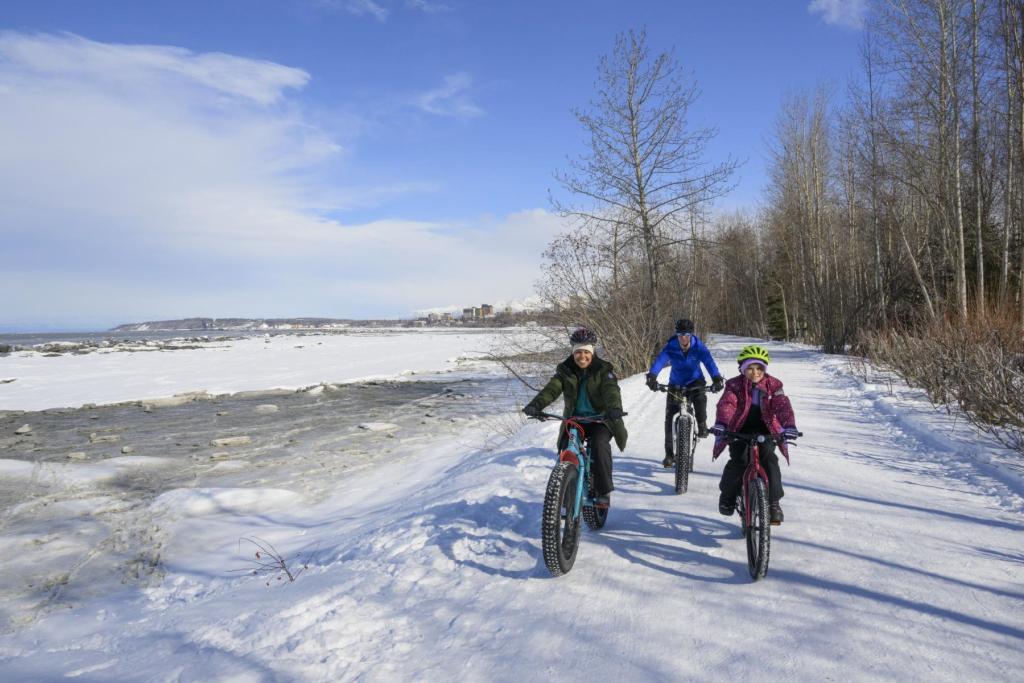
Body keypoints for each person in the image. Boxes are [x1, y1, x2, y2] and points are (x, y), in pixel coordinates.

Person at [523, 328, 627, 509]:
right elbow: (551, 390)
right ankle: (565, 487)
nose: (582, 356)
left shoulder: (603, 370)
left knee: (600, 444)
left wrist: (615, 408)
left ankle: (603, 491)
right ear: (573, 352)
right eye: (578, 351)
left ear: (592, 352)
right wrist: (536, 405)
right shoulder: (565, 371)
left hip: (600, 420)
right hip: (575, 421)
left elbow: (611, 391)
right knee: (566, 447)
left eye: (586, 352)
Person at [711, 344, 799, 525]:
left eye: (759, 368)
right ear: (743, 369)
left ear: (764, 369)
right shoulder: (734, 385)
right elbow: (727, 404)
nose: (755, 372)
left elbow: (782, 405)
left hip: (765, 430)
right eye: (750, 368)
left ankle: (773, 503)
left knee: (769, 459)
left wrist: (789, 425)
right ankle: (728, 495)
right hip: (739, 429)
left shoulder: (774, 385)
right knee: (740, 460)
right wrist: (722, 424)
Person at [645, 318, 725, 468]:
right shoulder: (671, 346)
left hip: (695, 381)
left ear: (691, 334)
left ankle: (701, 424)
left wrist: (716, 377)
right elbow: (660, 361)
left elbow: (709, 362)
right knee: (670, 418)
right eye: (680, 334)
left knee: (700, 399)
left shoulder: (698, 346)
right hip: (676, 383)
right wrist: (652, 376)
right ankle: (669, 455)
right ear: (676, 335)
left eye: (687, 334)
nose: (683, 338)